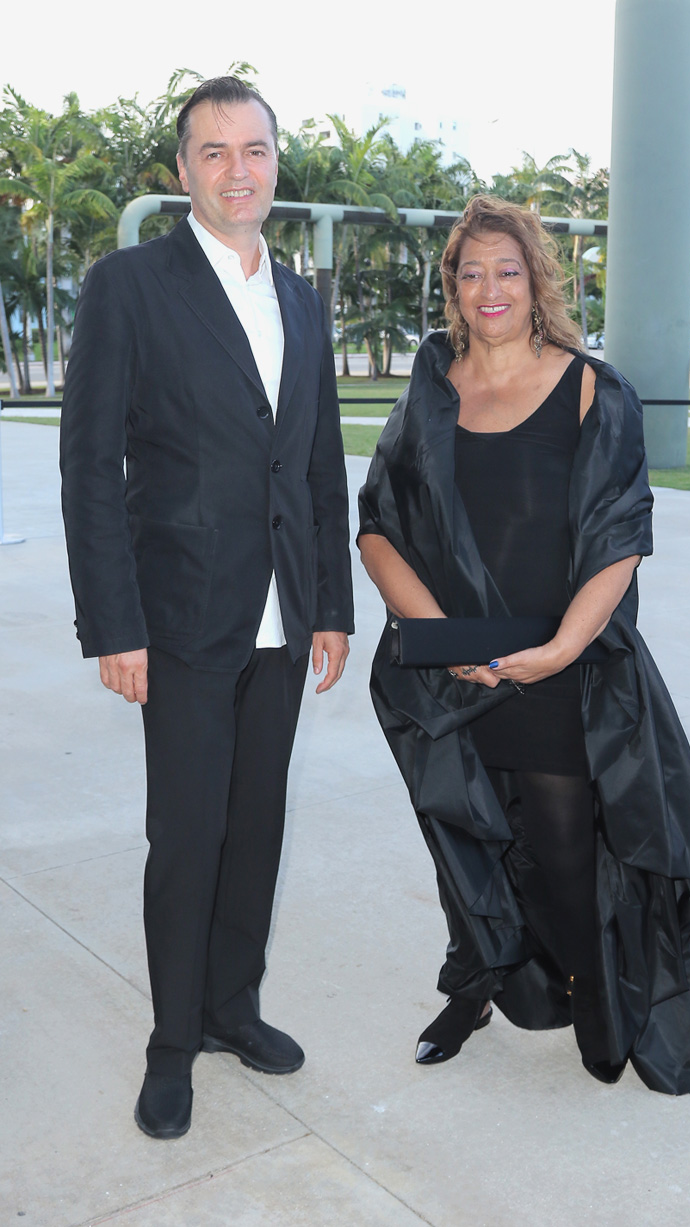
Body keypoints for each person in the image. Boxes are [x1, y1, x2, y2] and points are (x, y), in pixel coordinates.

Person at [358, 195, 690, 1097]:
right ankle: (474, 985)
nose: (489, 288)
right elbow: (378, 525)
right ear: (451, 286)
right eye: (471, 271)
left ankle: (598, 1000)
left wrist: (561, 649)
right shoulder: (432, 385)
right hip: (455, 668)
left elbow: (620, 536)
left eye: (507, 270)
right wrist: (435, 636)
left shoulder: (587, 388)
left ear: (536, 280)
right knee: (467, 838)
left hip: (562, 668)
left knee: (568, 853)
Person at [60, 77, 354, 1139]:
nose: (240, 171)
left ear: (277, 162)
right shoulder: (130, 285)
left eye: (256, 150)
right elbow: (91, 468)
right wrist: (115, 623)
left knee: (256, 829)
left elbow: (318, 461)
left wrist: (329, 606)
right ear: (182, 171)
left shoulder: (303, 298)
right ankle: (172, 1042)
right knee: (187, 837)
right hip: (178, 618)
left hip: (283, 621)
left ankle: (234, 1009)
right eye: (215, 152)